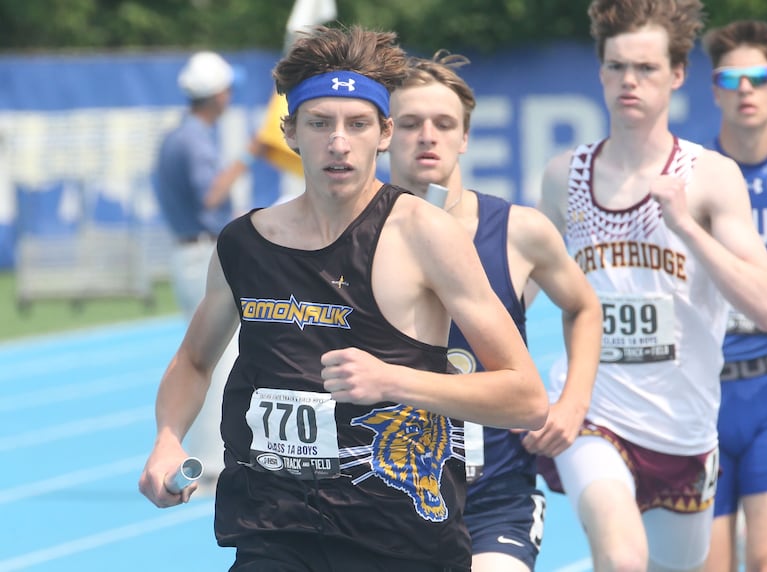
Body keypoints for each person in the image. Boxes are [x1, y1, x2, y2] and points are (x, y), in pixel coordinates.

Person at [139, 24, 549, 572]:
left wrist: (393, 381)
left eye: (357, 125)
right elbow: (193, 362)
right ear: (290, 133)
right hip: (275, 530)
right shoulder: (244, 243)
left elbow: (525, 397)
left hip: (400, 540)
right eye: (320, 123)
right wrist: (168, 439)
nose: (338, 142)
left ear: (383, 133)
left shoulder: (425, 234)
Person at [535, 1, 767, 570]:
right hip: (592, 415)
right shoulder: (562, 177)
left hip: (684, 429)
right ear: (600, 73)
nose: (629, 80)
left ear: (675, 75)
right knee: (621, 559)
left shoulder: (710, 177)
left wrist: (687, 228)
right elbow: (518, 291)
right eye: (617, 67)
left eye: (645, 68)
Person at [388, 52, 602, 571]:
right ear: (385, 132)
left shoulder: (518, 231)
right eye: (411, 123)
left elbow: (583, 306)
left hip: (494, 494)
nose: (428, 136)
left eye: (444, 124)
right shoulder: (355, 239)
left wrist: (572, 404)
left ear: (465, 137)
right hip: (385, 497)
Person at [701, 20, 767, 572]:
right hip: (702, 395)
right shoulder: (688, 176)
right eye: (730, 77)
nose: (744, 88)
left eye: (757, 77)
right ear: (714, 90)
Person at [154, 51, 262, 485]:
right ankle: (212, 463)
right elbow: (212, 197)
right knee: (216, 357)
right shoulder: (195, 139)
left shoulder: (177, 135)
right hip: (202, 255)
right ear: (217, 95)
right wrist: (250, 155)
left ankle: (208, 455)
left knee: (206, 356)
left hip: (189, 252)